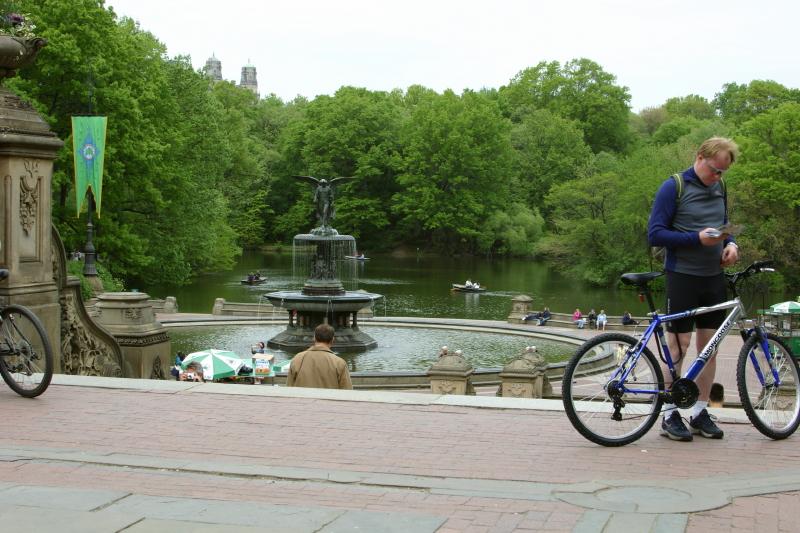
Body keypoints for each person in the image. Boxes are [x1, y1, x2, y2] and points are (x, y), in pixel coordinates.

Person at [648, 136, 740, 441]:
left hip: (713, 277)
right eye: (715, 170)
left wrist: (731, 244)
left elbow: (723, 224)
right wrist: (695, 239)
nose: (718, 177)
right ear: (700, 157)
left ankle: (700, 412)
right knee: (678, 347)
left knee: (709, 348)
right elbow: (656, 235)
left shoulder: (720, 188)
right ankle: (669, 414)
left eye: (723, 173)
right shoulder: (673, 187)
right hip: (682, 275)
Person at [287, 324, 353, 389]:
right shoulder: (339, 363)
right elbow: (347, 392)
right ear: (333, 340)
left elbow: (289, 388)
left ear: (314, 338)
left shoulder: (298, 358)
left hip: (302, 399)